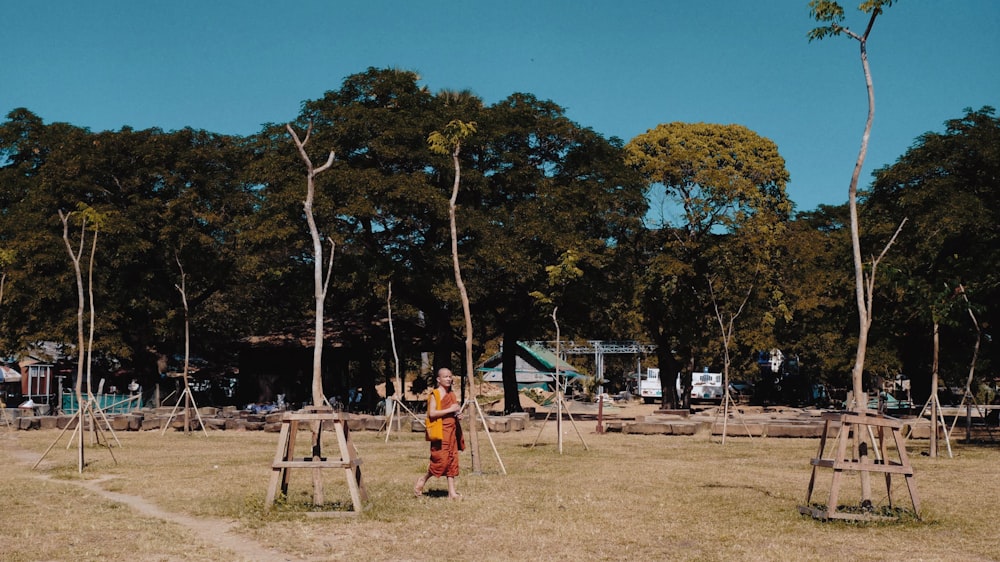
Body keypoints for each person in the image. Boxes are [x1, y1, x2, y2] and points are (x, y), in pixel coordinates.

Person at [414, 368, 464, 499]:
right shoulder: (434, 394)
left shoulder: (452, 394)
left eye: (450, 376)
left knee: (452, 460)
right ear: (438, 379)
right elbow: (432, 413)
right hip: (440, 432)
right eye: (445, 377)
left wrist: (457, 414)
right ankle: (423, 479)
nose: (448, 379)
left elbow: (453, 411)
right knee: (440, 461)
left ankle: (452, 492)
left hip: (451, 431)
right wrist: (450, 409)